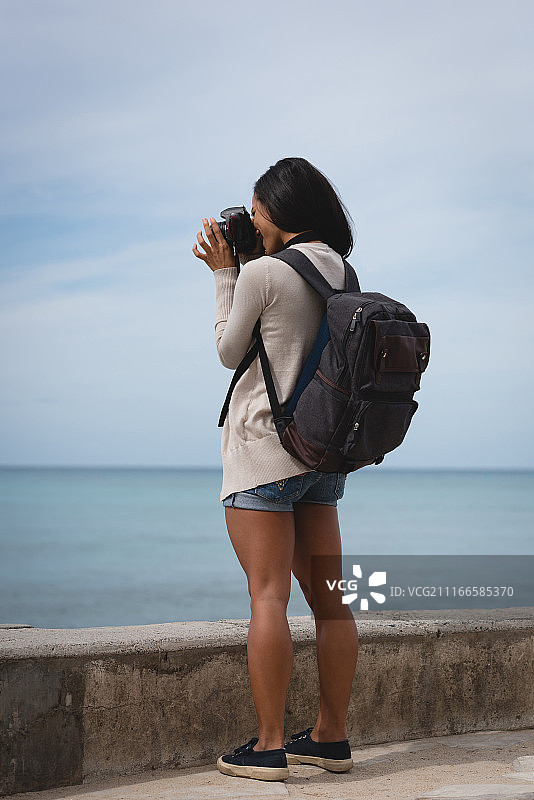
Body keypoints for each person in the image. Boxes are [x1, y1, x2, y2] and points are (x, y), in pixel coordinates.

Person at [192, 157, 359, 782]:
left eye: (257, 208)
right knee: (332, 603)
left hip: (264, 451)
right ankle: (330, 737)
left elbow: (227, 350)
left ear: (281, 213)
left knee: (268, 595)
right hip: (320, 455)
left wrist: (223, 275)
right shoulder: (342, 272)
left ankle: (267, 746)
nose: (251, 218)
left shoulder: (262, 271)